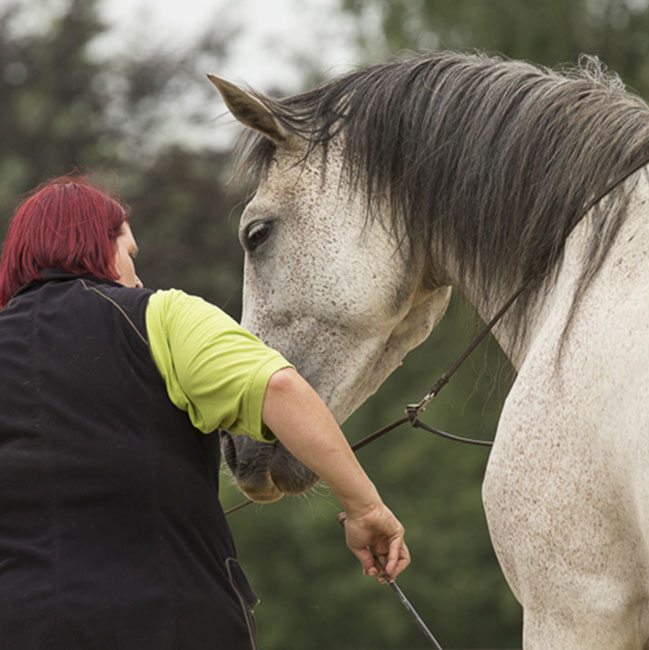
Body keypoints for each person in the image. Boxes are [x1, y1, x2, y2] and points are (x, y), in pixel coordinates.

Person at [0, 175, 407, 649]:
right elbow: (278, 388)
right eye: (130, 256)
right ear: (95, 247)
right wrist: (365, 507)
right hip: (175, 623)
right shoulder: (160, 316)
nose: (137, 277)